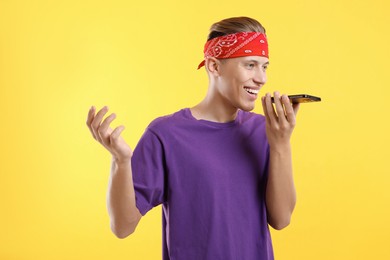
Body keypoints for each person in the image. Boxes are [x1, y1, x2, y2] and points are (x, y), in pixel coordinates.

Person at [86, 16, 300, 260]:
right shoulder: (166, 134)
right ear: (214, 66)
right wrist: (121, 161)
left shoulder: (265, 131)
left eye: (264, 66)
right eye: (250, 65)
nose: (261, 78)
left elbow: (281, 219)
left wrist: (281, 143)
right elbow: (123, 226)